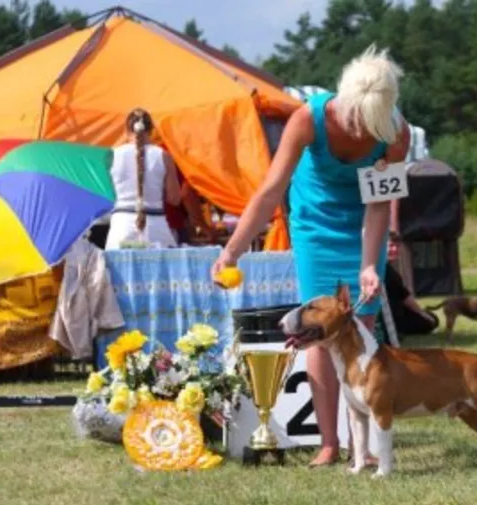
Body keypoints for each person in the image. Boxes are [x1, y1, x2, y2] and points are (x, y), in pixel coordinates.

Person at [211, 45, 410, 467]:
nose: (362, 133)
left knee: (360, 330)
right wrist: (232, 252)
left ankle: (365, 446)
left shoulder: (397, 133)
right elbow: (270, 190)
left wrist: (370, 263)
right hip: (315, 224)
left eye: (371, 126)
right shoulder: (307, 118)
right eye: (358, 121)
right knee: (318, 333)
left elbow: (379, 205)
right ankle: (328, 443)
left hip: (361, 227)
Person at [105, 109, 181, 250]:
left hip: (121, 227)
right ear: (151, 131)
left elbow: (106, 196)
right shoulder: (163, 156)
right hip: (155, 228)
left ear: (126, 131)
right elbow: (174, 199)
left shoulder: (111, 156)